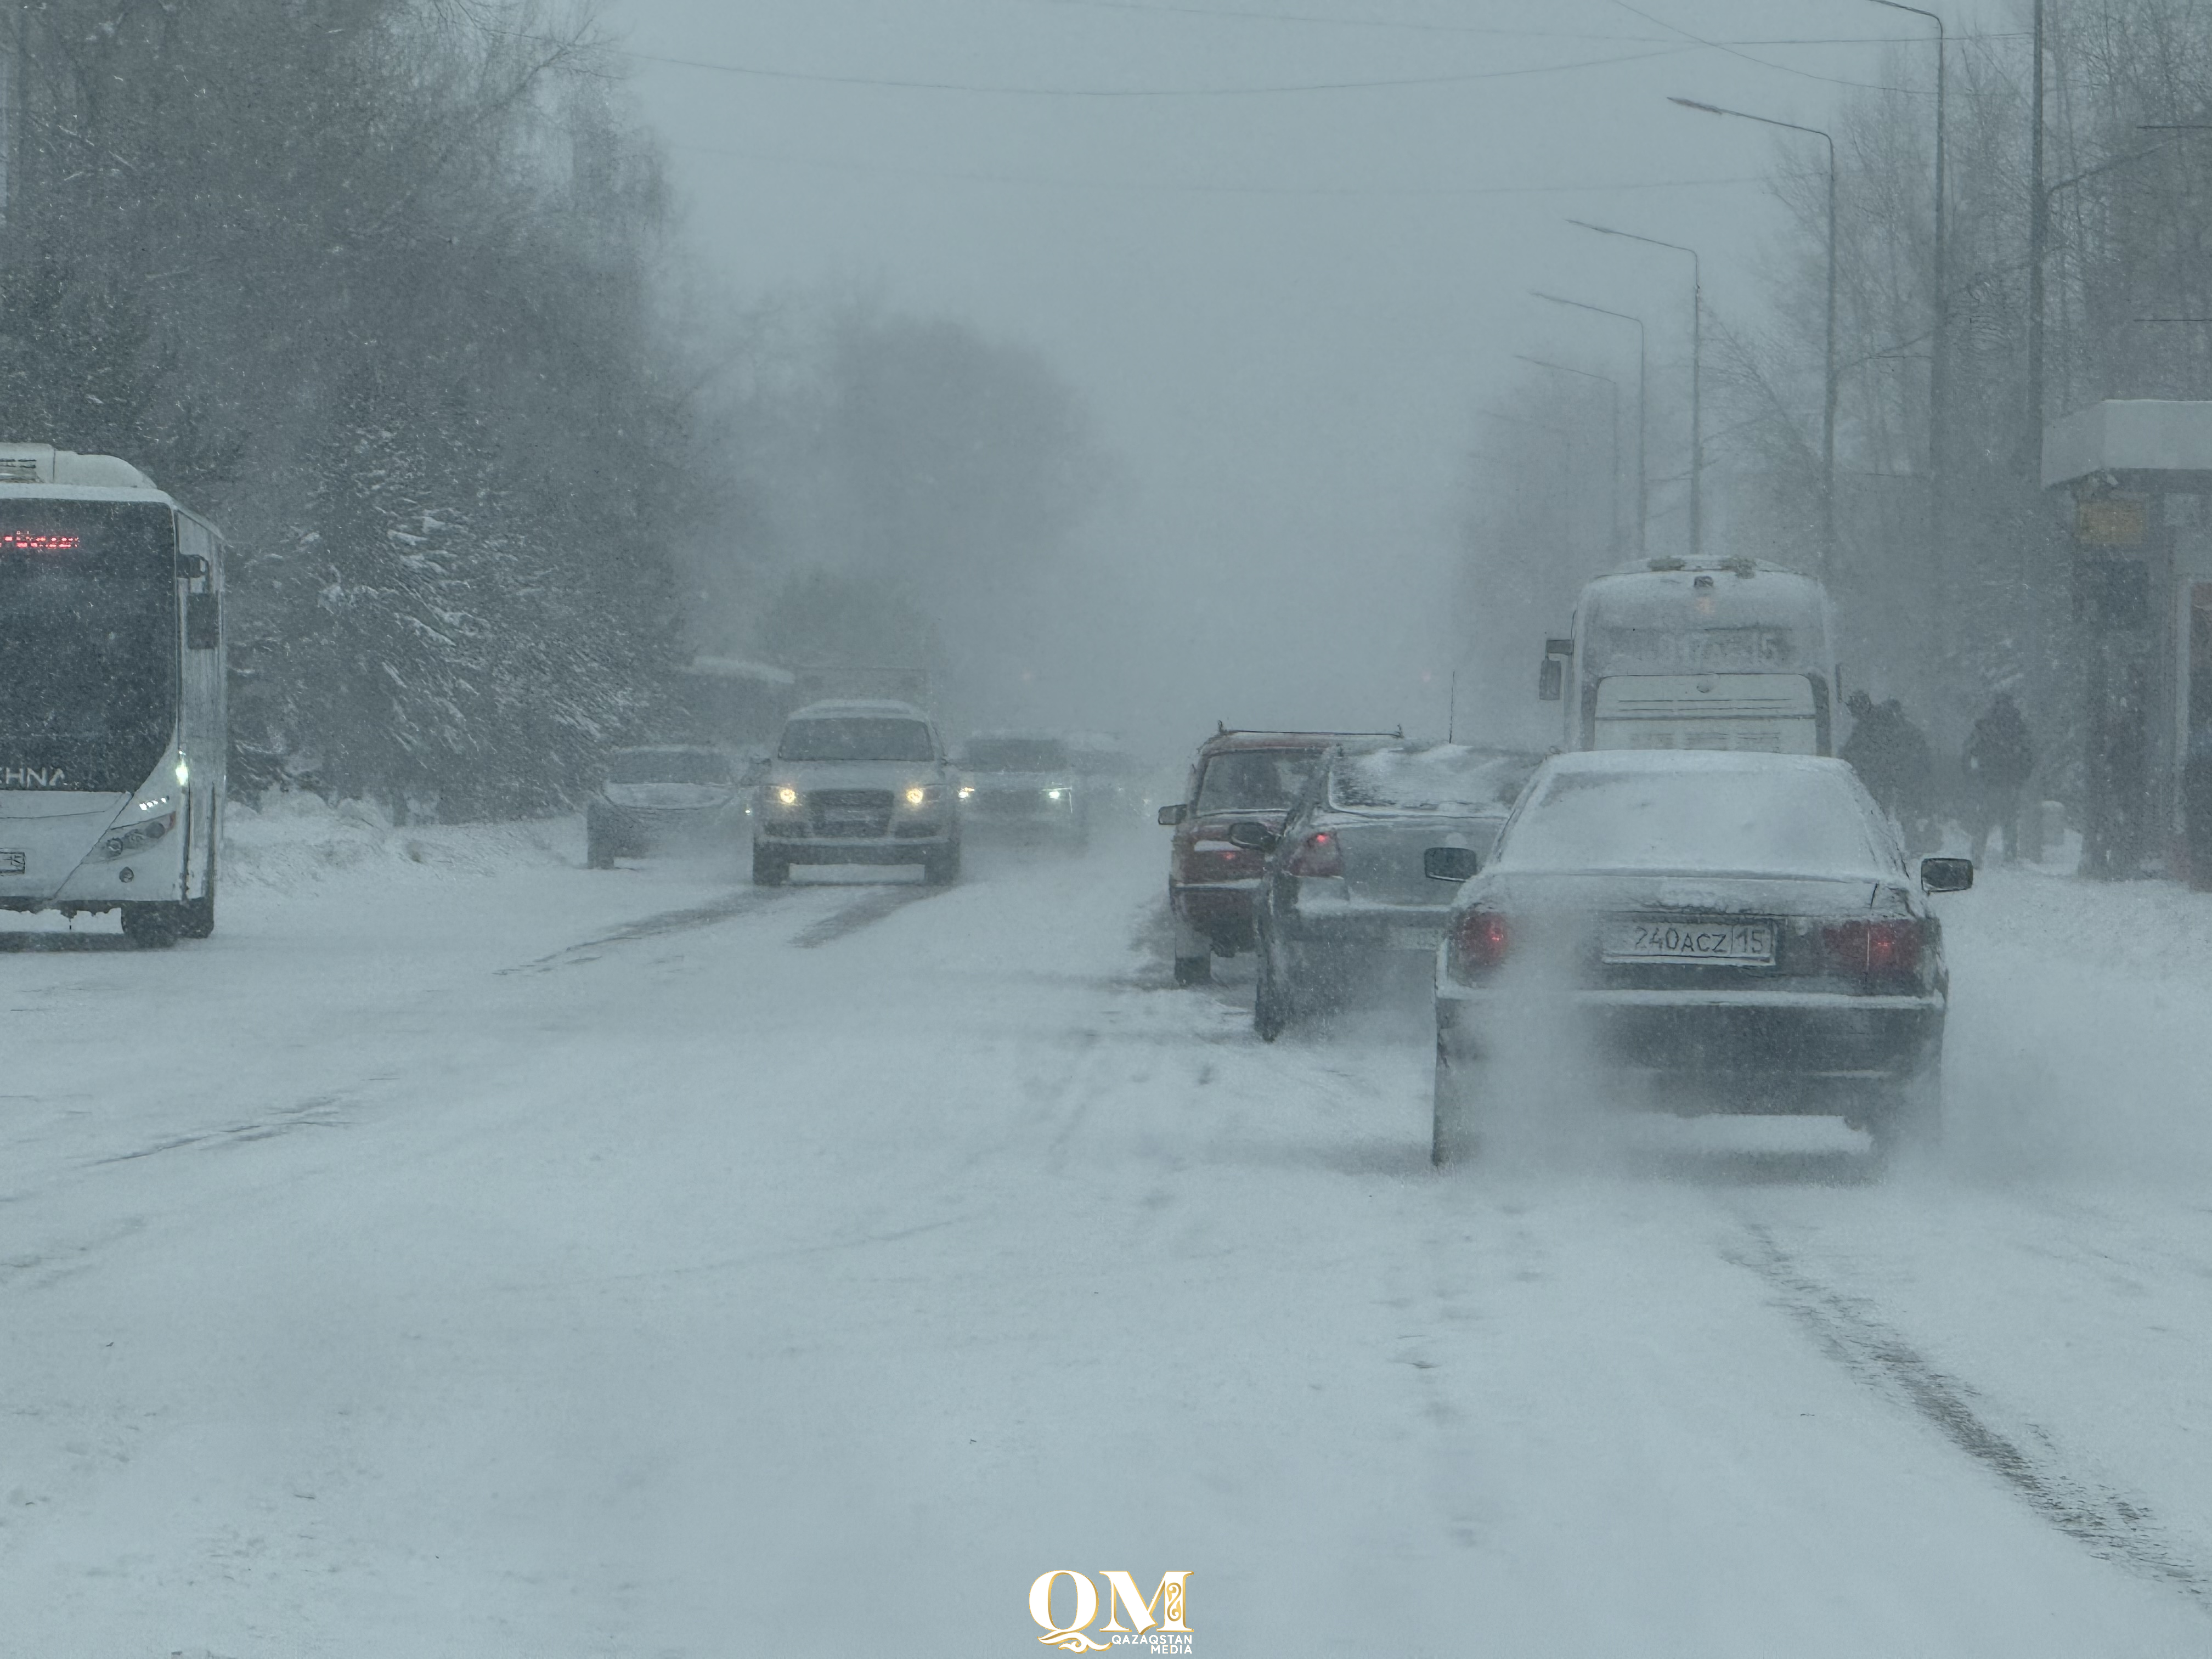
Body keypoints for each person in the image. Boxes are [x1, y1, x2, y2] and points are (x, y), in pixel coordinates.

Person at [1842, 692, 1937, 851]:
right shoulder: (1900, 726)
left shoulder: (1867, 727)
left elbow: (1853, 752)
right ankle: (1910, 845)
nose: (1852, 714)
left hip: (1881, 778)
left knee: (1878, 814)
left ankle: (1882, 847)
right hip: (1901, 777)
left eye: (1853, 709)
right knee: (1904, 814)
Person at [1963, 691, 2035, 865]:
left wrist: (1973, 774)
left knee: (1984, 819)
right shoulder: (2018, 727)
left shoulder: (1985, 725)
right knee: (2009, 821)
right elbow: (2029, 756)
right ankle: (2009, 856)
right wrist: (2021, 777)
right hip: (2010, 781)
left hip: (1989, 780)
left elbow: (1969, 750)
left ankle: (1978, 855)